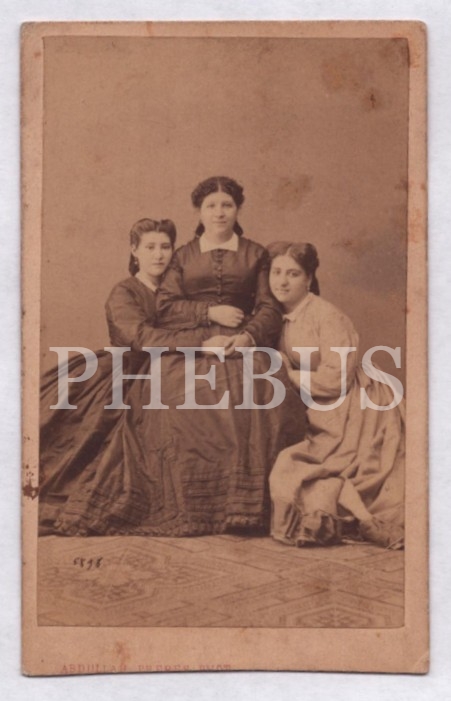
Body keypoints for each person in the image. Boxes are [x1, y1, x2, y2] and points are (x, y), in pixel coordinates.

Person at [39, 218, 209, 535]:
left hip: (171, 371)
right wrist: (201, 342)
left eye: (165, 247)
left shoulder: (180, 294)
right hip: (127, 371)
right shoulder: (124, 292)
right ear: (134, 251)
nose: (159, 254)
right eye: (150, 247)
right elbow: (142, 337)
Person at [267, 241, 405, 549]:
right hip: (318, 404)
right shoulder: (276, 316)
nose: (283, 281)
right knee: (296, 465)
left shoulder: (327, 316)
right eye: (276, 272)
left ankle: (364, 521)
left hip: (356, 404)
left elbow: (336, 379)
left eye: (293, 274)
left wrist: (289, 374)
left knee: (317, 465)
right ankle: (339, 519)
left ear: (309, 278)